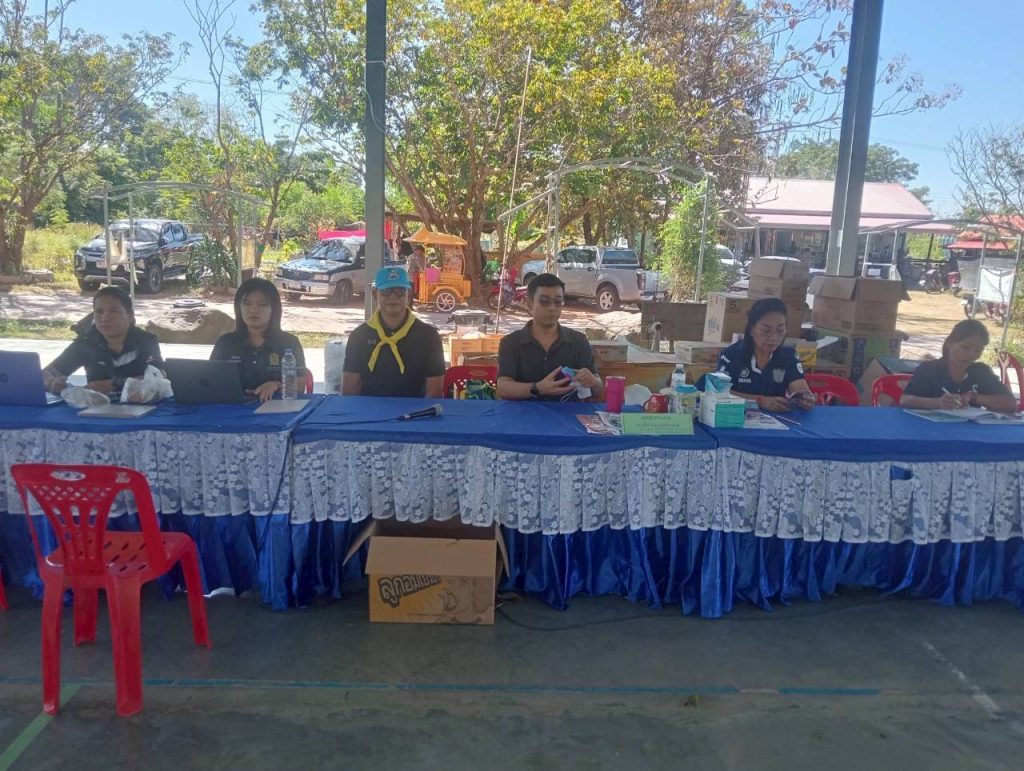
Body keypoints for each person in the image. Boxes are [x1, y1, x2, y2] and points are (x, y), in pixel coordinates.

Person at [497, 273, 604, 402]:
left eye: (558, 302)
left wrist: (593, 381)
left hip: (569, 412)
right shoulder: (511, 343)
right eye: (544, 302)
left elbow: (598, 389)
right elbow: (503, 387)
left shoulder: (578, 341)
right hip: (524, 413)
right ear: (529, 304)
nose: (552, 308)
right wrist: (537, 388)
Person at [342, 266, 445, 397]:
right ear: (375, 294)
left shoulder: (429, 336)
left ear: (409, 294)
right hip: (369, 408)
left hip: (415, 409)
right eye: (386, 291)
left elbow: (435, 391)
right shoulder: (359, 336)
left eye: (400, 291)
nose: (393, 297)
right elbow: (349, 389)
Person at [44, 286, 164, 396]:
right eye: (99, 312)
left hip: (142, 407)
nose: (105, 318)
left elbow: (160, 377)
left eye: (113, 311)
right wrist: (52, 383)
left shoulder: (146, 340)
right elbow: (48, 373)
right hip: (96, 407)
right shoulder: (85, 343)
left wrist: (113, 384)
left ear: (130, 315)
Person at [711, 297, 814, 412]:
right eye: (766, 330)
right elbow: (719, 392)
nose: (774, 337)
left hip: (778, 418)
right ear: (751, 329)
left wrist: (805, 397)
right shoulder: (731, 355)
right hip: (735, 416)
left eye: (780, 330)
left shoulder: (789, 356)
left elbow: (799, 386)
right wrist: (759, 401)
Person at [210, 278, 305, 403]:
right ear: (238, 307)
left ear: (274, 309)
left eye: (262, 304)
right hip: (232, 408)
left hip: (277, 408)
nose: (253, 310)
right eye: (247, 304)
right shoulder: (225, 343)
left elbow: (301, 385)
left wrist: (276, 385)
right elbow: (209, 381)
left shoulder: (289, 342)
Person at [900, 320, 1016, 413]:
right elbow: (905, 400)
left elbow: (1010, 404)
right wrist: (938, 403)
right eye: (965, 347)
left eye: (978, 350)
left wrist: (973, 397)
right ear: (950, 343)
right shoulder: (929, 369)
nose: (971, 354)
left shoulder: (981, 372)